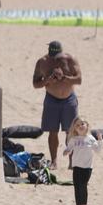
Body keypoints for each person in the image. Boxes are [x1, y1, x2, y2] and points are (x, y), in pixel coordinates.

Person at [33, 41, 82, 169]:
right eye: (52, 55)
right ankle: (54, 161)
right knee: (52, 132)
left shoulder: (70, 59)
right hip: (51, 100)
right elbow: (35, 84)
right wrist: (47, 80)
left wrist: (64, 78)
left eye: (57, 55)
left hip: (69, 99)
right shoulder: (42, 62)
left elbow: (79, 79)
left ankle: (72, 162)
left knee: (70, 132)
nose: (54, 58)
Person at [63, 118, 101, 205]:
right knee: (76, 185)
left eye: (82, 124)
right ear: (75, 128)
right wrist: (66, 151)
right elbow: (69, 148)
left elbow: (98, 150)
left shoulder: (90, 138)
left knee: (83, 185)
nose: (80, 126)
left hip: (87, 167)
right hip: (76, 166)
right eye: (77, 125)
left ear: (87, 125)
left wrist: (100, 140)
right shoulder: (73, 139)